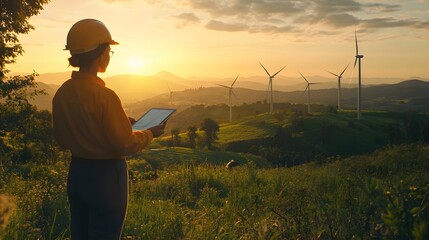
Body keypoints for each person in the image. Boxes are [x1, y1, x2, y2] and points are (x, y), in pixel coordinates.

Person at [52, 19, 165, 240]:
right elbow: (124, 144)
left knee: (80, 235)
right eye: (109, 51)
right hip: (106, 177)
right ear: (100, 53)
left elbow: (63, 139)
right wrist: (150, 133)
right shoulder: (105, 96)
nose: (109, 56)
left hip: (77, 173)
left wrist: (121, 122)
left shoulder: (63, 92)